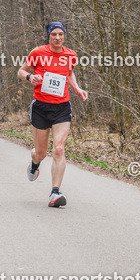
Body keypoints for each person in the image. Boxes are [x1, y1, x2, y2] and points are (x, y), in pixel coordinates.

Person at [17, 21, 88, 207]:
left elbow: (69, 74)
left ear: (64, 36)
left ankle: (55, 192)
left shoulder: (71, 55)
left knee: (58, 149)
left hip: (62, 107)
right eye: (54, 34)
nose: (57, 37)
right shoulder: (38, 52)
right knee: (40, 153)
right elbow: (21, 70)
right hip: (40, 107)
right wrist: (29, 77)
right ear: (49, 36)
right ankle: (34, 163)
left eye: (61, 34)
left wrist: (78, 89)